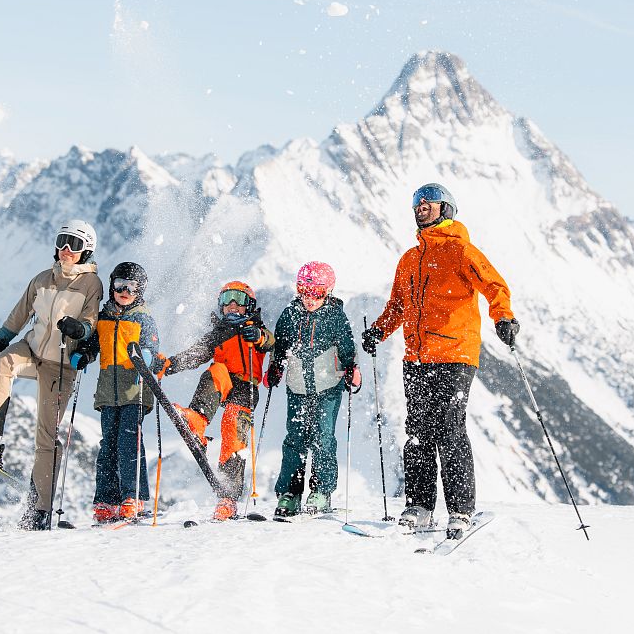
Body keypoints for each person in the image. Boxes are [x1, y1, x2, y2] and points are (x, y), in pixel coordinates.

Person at [362, 183, 519, 538]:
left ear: (446, 209)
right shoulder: (409, 259)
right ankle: (419, 507)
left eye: (429, 202)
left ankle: (461, 510)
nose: (421, 206)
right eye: (417, 202)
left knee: (449, 430)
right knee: (418, 433)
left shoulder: (462, 251)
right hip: (416, 356)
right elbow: (398, 306)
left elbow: (494, 285)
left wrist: (504, 317)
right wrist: (379, 331)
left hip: (455, 354)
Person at [0, 220, 103, 531]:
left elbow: (91, 322)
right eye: (62, 241)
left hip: (61, 364)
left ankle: (38, 511)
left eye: (74, 245)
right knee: (1, 363)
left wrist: (79, 330)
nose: (66, 249)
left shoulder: (92, 284)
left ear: (86, 251)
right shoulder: (42, 279)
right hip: (32, 350)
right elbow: (16, 318)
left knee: (46, 438)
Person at [159, 281, 275, 521]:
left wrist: (260, 337)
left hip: (245, 389)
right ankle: (197, 421)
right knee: (215, 371)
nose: (232, 305)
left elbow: (272, 343)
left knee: (233, 430)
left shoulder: (255, 329)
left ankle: (228, 498)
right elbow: (196, 354)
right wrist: (169, 365)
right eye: (226, 300)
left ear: (249, 305)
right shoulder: (218, 333)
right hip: (223, 384)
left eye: (239, 300)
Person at [266, 261, 361, 517]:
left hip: (328, 386)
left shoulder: (335, 316)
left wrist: (352, 369)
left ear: (328, 291)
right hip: (297, 385)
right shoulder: (290, 314)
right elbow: (281, 345)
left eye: (316, 292)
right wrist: (275, 366)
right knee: (295, 438)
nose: (310, 298)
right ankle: (290, 492)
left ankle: (321, 491)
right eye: (304, 290)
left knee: (323, 437)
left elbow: (347, 347)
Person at [70, 262, 161, 523]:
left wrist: (146, 355)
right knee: (108, 444)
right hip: (108, 393)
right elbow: (93, 345)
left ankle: (134, 496)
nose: (124, 290)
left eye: (131, 287)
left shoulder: (143, 318)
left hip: (135, 390)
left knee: (128, 441)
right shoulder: (104, 316)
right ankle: (106, 500)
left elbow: (153, 351)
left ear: (140, 291)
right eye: (119, 284)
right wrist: (84, 355)